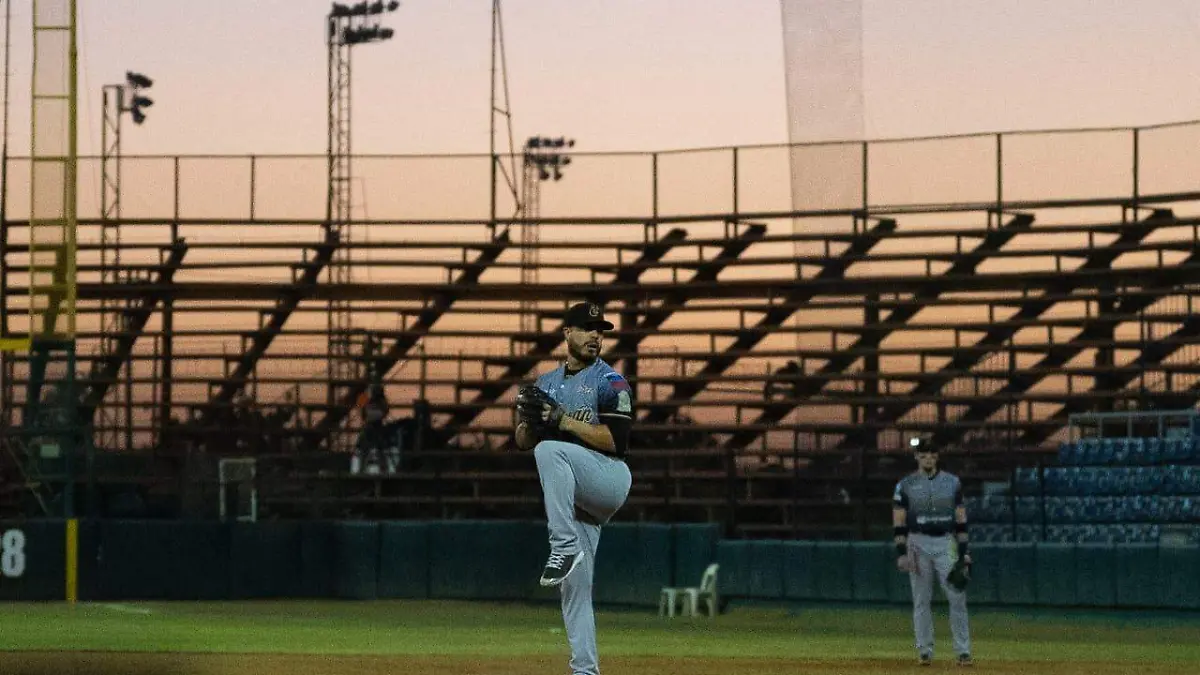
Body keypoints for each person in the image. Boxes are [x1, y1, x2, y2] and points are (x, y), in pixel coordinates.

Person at [514, 301, 633, 675]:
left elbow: (617, 441)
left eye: (600, 330)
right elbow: (521, 441)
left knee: (550, 449)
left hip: (609, 477)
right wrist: (530, 422)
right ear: (567, 333)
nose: (596, 335)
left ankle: (562, 545)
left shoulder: (610, 381)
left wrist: (561, 419)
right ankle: (585, 670)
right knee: (574, 591)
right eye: (587, 328)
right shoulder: (545, 383)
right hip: (578, 499)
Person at [892, 436, 973, 667]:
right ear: (917, 457)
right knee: (921, 599)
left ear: (937, 457)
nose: (928, 458)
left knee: (957, 596)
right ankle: (925, 650)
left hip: (945, 540)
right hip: (917, 541)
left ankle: (963, 650)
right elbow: (898, 520)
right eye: (924, 454)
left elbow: (961, 519)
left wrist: (965, 550)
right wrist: (901, 551)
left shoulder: (952, 483)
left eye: (932, 454)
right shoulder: (905, 485)